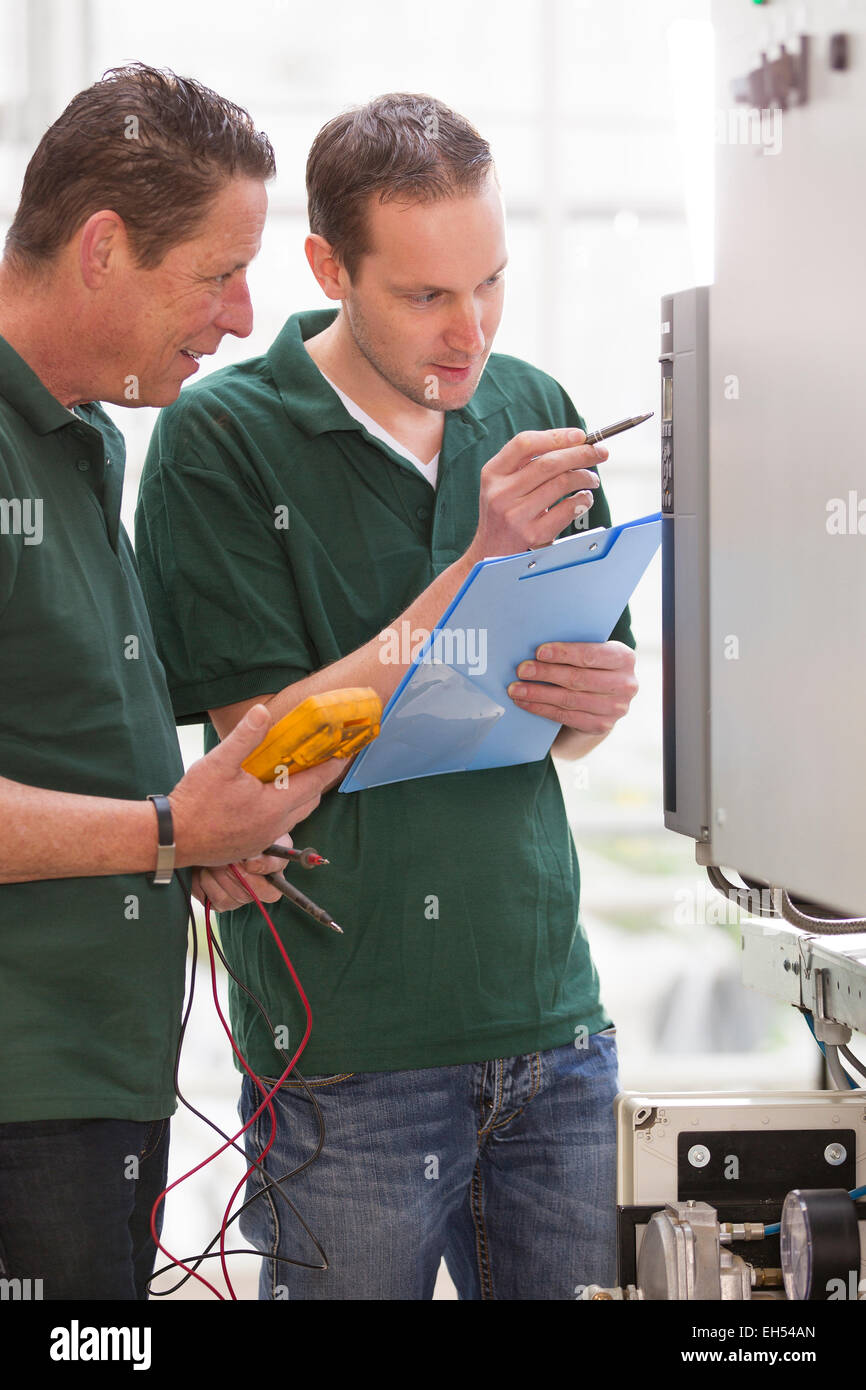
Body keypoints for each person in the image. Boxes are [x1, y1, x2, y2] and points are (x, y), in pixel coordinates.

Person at [135, 93, 639, 1301]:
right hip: (345, 1057)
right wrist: (474, 567)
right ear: (327, 266)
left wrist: (595, 696)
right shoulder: (221, 441)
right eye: (424, 296)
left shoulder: (529, 411)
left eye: (490, 283)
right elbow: (264, 762)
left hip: (549, 1023)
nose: (468, 332)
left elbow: (562, 730)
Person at [0, 63, 336, 1301]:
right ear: (102, 249)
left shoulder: (84, 437)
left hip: (99, 1084)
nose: (245, 318)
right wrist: (165, 827)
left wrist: (181, 845)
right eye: (215, 274)